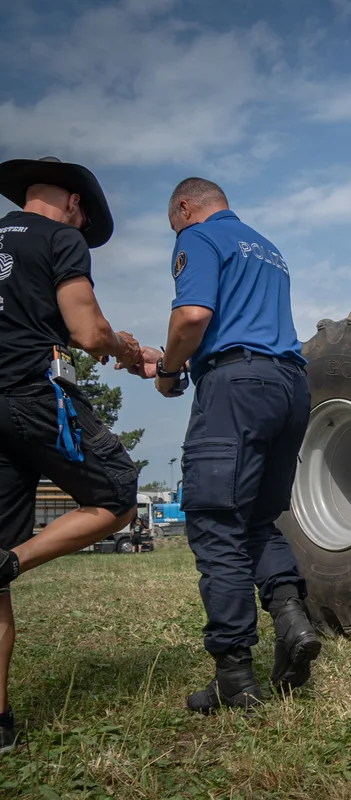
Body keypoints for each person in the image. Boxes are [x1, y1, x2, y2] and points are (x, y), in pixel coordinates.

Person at [130, 177, 321, 714]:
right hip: (288, 385)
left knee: (216, 525)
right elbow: (243, 326)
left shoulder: (198, 237)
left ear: (185, 209)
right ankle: (292, 622)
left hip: (235, 389)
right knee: (258, 521)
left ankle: (236, 677)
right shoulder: (268, 248)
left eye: (175, 223)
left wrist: (169, 371)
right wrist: (180, 357)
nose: (176, 233)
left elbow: (193, 316)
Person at [0, 155, 145, 751]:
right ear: (75, 205)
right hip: (30, 398)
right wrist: (125, 348)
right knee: (118, 496)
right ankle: (11, 560)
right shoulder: (61, 240)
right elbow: (86, 331)